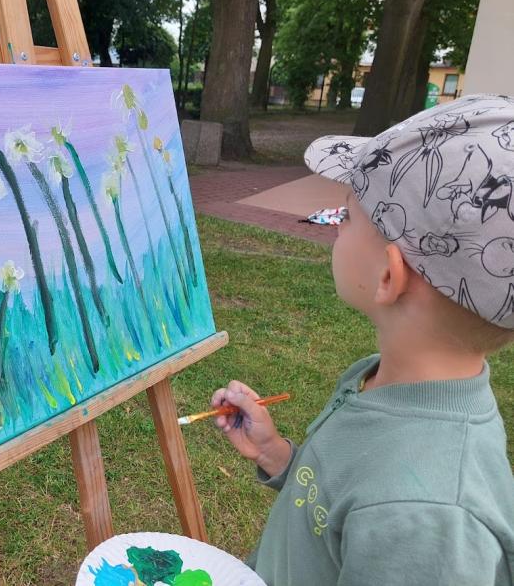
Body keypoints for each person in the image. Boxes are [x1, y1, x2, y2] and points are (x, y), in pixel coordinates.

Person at [212, 94, 514, 585]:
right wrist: (277, 455)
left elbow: (383, 511)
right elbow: (343, 504)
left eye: (347, 216)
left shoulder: (429, 520)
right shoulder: (378, 377)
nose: (335, 223)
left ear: (388, 277)